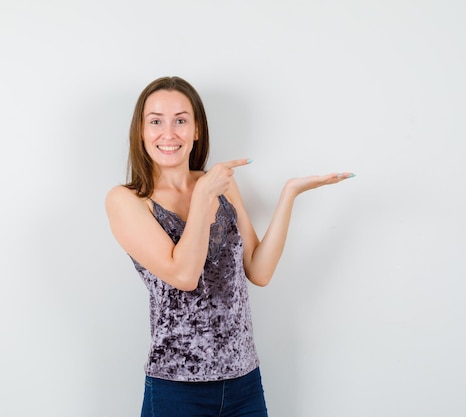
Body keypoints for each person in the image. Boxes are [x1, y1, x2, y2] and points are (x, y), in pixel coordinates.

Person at [105, 76, 354, 417]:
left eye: (180, 120)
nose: (169, 133)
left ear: (196, 130)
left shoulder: (220, 185)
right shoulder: (128, 200)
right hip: (176, 388)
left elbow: (259, 270)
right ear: (140, 132)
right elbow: (184, 275)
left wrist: (289, 194)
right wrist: (205, 195)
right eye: (156, 121)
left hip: (244, 383)